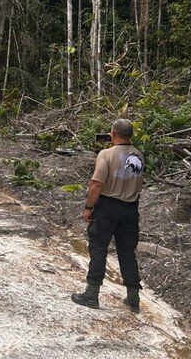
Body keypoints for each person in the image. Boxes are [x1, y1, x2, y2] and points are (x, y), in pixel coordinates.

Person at [72, 119, 145, 312]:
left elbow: (96, 184)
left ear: (112, 134)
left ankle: (92, 293)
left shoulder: (106, 154)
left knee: (98, 248)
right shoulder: (139, 154)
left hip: (107, 208)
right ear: (131, 135)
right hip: (130, 209)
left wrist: (88, 206)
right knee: (127, 252)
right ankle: (133, 298)